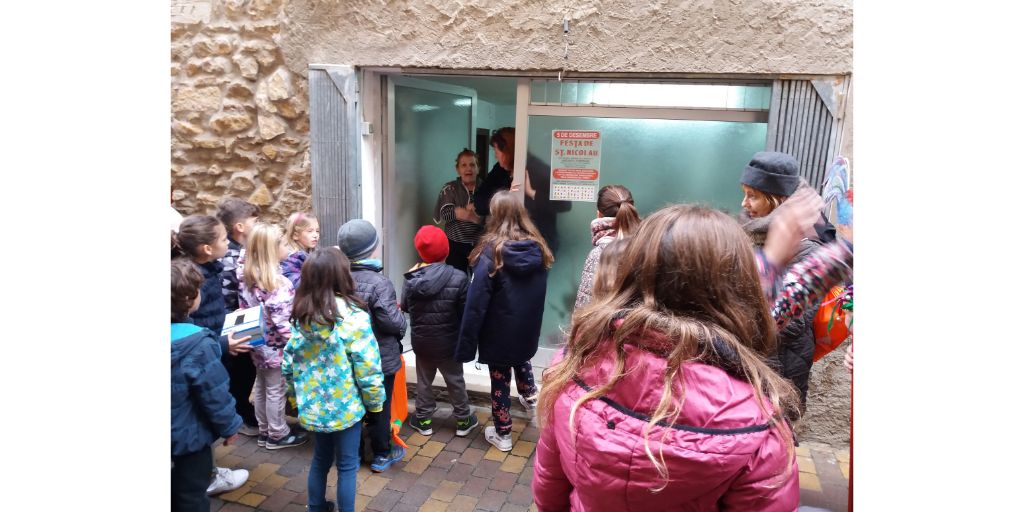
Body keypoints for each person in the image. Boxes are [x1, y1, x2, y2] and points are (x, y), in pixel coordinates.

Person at [531, 204, 800, 511]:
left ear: (633, 270)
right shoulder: (759, 425)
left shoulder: (575, 363)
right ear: (740, 289)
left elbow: (549, 489)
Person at [284, 248, 386, 512]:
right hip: (346, 408)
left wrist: (295, 399)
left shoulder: (301, 315)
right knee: (348, 465)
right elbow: (368, 368)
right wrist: (375, 404)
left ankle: (316, 507)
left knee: (320, 460)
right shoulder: (353, 317)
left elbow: (288, 365)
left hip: (313, 407)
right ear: (343, 276)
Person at [738, 151, 835, 414]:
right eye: (744, 194)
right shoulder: (752, 234)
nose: (744, 203)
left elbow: (794, 322)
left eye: (753, 196)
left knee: (775, 432)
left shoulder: (808, 249)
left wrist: (736, 308)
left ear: (777, 199)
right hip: (751, 360)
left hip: (781, 367)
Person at [456, 191, 552, 452]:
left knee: (499, 381)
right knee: (521, 358)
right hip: (526, 328)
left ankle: (503, 433)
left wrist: (465, 346)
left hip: (498, 332)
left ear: (494, 216)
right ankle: (532, 398)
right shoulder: (538, 248)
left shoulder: (491, 254)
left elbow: (476, 305)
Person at [171, 259, 248, 511]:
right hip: (190, 439)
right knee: (192, 494)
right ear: (189, 300)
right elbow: (214, 394)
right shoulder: (198, 343)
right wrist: (230, 426)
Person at [336, 219, 408, 472]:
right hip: (378, 358)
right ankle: (381, 454)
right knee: (380, 406)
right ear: (372, 249)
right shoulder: (379, 283)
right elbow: (391, 321)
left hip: (347, 356)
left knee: (354, 403)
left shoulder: (336, 278)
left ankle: (353, 454)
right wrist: (402, 323)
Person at [402, 225, 479, 437]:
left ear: (421, 252)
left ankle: (423, 419)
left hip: (422, 341)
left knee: (424, 381)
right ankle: (463, 420)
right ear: (447, 250)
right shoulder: (459, 277)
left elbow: (406, 306)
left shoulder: (411, 277)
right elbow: (464, 312)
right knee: (455, 380)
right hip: (449, 342)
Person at [237, 223, 307, 450]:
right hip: (276, 347)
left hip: (256, 342)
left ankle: (265, 430)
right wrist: (297, 344)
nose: (288, 247)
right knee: (276, 389)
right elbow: (283, 323)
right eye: (284, 244)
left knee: (261, 386)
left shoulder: (247, 276)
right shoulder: (277, 284)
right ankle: (278, 434)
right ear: (272, 250)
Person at [474, 127, 571, 253]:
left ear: (507, 150)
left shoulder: (538, 169)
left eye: (496, 151)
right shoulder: (500, 170)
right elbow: (479, 203)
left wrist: (532, 193)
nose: (495, 156)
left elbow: (565, 204)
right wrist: (506, 198)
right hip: (506, 242)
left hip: (538, 243)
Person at [215, 197, 262, 437]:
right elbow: (227, 294)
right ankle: (239, 414)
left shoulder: (242, 251)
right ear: (240, 226)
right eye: (255, 221)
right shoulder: (230, 256)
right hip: (233, 323)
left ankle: (242, 406)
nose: (258, 224)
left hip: (244, 318)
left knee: (247, 369)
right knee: (239, 371)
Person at [574, 185, 642, 309]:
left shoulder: (599, 254)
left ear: (599, 215)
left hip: (607, 320)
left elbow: (585, 305)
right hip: (640, 320)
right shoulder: (648, 246)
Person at [433, 148, 485, 272]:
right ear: (458, 169)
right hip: (454, 245)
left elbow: (494, 216)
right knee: (456, 278)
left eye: (472, 165)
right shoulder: (449, 188)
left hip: (480, 245)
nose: (468, 168)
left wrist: (476, 218)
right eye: (464, 165)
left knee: (478, 279)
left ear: (478, 168)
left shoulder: (485, 188)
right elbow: (444, 214)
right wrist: (462, 213)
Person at [281, 211, 321, 287]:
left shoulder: (315, 252)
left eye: (317, 231)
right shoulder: (290, 259)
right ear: (295, 235)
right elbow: (296, 284)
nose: (315, 235)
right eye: (310, 231)